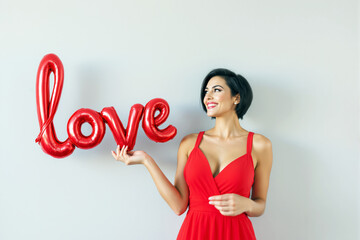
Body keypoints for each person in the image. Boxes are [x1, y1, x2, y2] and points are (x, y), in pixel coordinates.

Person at [112, 68, 273, 240]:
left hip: (236, 233)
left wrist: (246, 204)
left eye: (216, 90)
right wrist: (146, 160)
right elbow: (178, 206)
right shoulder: (190, 143)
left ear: (237, 97)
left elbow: (260, 204)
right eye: (206, 92)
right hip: (195, 232)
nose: (207, 97)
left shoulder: (259, 145)